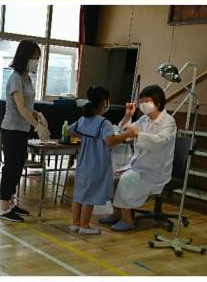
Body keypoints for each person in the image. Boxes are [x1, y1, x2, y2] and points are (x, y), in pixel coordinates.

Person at [99, 85, 177, 231]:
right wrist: (128, 116)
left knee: (126, 180)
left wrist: (138, 135)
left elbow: (160, 141)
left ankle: (127, 220)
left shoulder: (168, 121)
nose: (143, 104)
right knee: (111, 178)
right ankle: (116, 214)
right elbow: (125, 131)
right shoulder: (144, 119)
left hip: (155, 169)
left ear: (158, 102)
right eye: (142, 101)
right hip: (138, 165)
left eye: (147, 101)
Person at [68, 87, 138, 235]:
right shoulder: (104, 123)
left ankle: (75, 223)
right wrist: (127, 134)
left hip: (83, 162)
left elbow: (70, 131)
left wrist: (86, 137)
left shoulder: (84, 119)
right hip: (96, 164)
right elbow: (110, 141)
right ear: (104, 102)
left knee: (79, 194)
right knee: (90, 196)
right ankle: (85, 225)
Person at [0, 40, 50, 222]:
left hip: (22, 129)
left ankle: (12, 203)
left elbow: (27, 106)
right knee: (10, 167)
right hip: (11, 128)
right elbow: (20, 107)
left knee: (18, 166)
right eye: (34, 57)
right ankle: (4, 208)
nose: (36, 61)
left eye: (38, 58)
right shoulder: (15, 78)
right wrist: (37, 126)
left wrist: (37, 114)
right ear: (25, 57)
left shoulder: (27, 78)